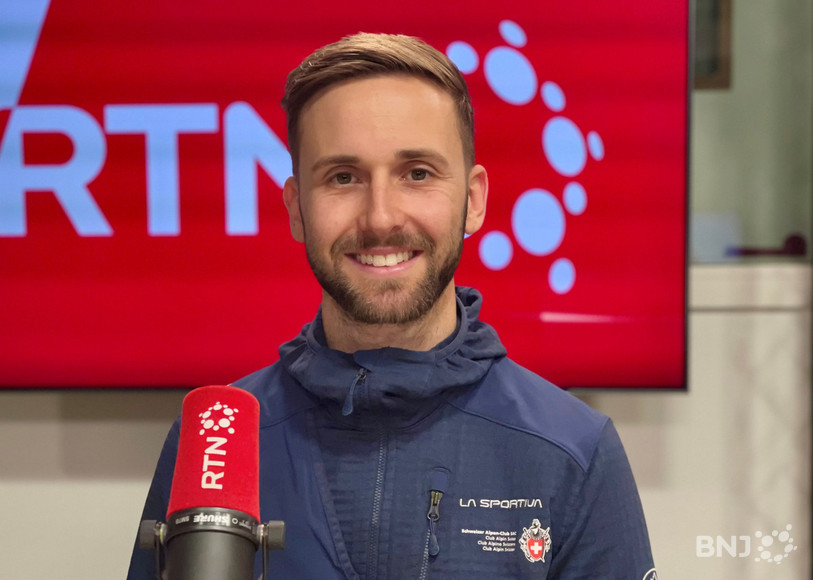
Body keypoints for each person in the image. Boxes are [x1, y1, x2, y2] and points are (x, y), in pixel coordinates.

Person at [127, 32, 656, 580]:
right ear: (296, 209)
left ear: (472, 201)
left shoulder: (571, 451)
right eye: (343, 177)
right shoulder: (217, 444)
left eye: (417, 174)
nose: (380, 217)